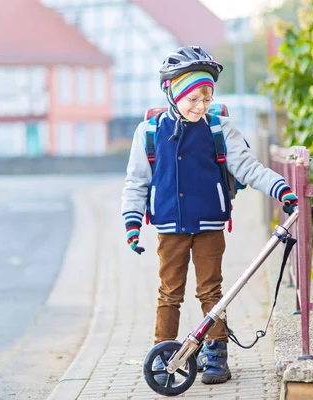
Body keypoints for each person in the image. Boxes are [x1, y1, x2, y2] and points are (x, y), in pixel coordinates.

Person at [121, 45, 298, 385]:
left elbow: (248, 168)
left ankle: (215, 352)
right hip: (169, 225)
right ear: (171, 92)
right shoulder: (148, 132)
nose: (200, 107)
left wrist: (280, 188)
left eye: (206, 99)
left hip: (209, 223)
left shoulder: (219, 128)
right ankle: (165, 352)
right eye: (192, 99)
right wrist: (132, 222)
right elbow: (136, 181)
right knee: (169, 292)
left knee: (211, 290)